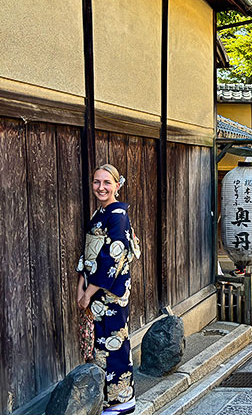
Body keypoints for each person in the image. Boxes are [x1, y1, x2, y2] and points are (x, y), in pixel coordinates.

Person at [76, 164, 138, 415]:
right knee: (99, 345)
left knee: (114, 342)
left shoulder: (117, 216)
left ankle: (122, 400)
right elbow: (88, 254)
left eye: (107, 183)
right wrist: (80, 286)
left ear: (117, 185)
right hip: (94, 289)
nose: (101, 187)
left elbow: (111, 260)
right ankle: (107, 399)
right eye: (96, 182)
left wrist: (88, 293)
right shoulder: (99, 214)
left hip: (110, 292)